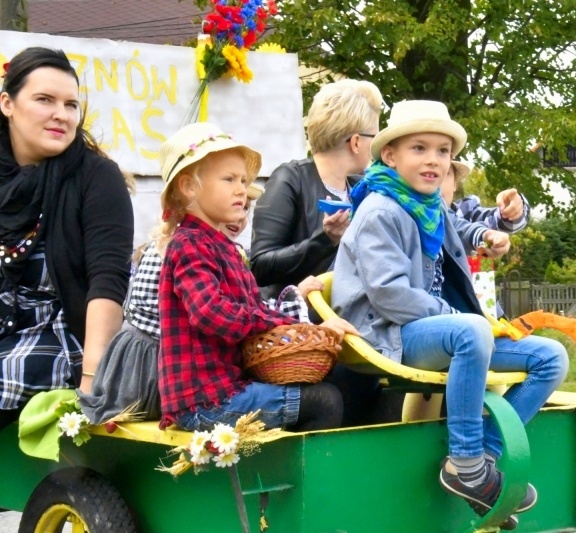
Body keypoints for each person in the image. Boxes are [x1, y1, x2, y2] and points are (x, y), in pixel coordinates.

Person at [331, 101, 569, 526]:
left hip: (444, 331)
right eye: (419, 148)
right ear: (390, 156)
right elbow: (389, 294)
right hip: (391, 334)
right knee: (471, 331)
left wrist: (492, 233)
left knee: (551, 358)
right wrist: (459, 317)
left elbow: (462, 227)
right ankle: (465, 460)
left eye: (443, 151)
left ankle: (483, 462)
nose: (433, 161)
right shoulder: (380, 210)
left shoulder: (430, 206)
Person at [157, 122, 357, 432]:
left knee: (329, 383)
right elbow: (211, 313)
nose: (241, 189)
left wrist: (309, 329)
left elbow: (255, 308)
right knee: (324, 400)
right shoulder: (190, 244)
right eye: (229, 179)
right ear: (189, 187)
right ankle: (298, 479)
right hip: (206, 401)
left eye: (243, 179)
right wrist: (287, 324)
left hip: (224, 391)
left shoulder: (226, 249)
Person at [0, 48, 134, 431]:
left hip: (64, 337)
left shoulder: (97, 177)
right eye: (45, 100)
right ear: (7, 103)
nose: (62, 114)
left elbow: (108, 283)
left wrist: (94, 382)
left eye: (71, 104)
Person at [250, 78, 381, 299]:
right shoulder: (290, 178)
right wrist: (325, 240)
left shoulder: (364, 188)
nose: (377, 146)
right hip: (298, 326)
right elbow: (260, 266)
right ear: (356, 142)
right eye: (375, 137)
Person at [441, 161, 530, 233]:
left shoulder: (465, 213)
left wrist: (510, 209)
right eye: (428, 175)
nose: (436, 183)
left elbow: (494, 222)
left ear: (455, 184)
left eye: (444, 174)